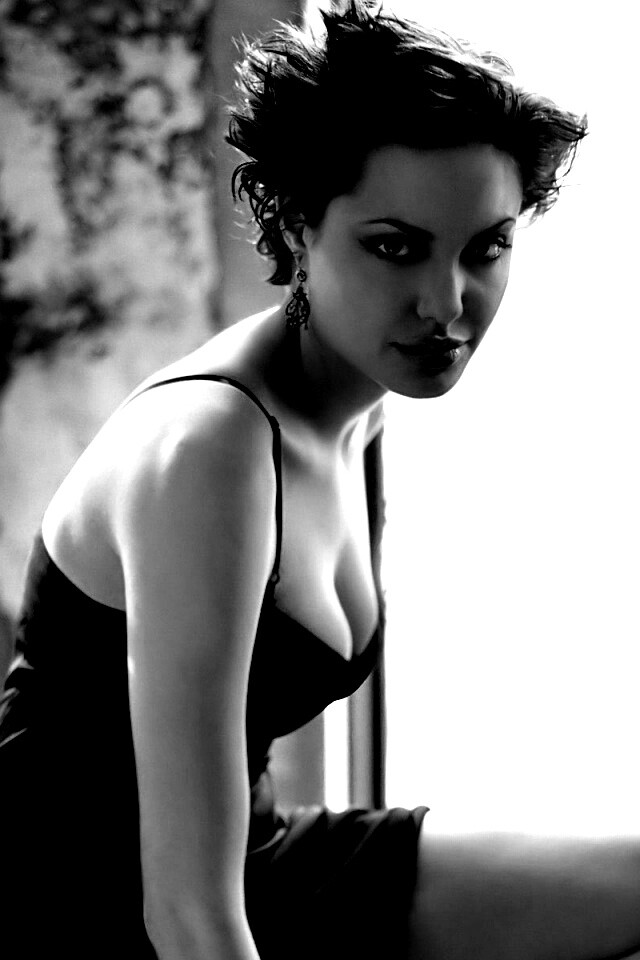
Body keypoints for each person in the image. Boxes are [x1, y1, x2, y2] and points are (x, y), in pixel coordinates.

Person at [1, 2, 639, 959]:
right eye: (395, 246)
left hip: (257, 867)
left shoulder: (359, 402)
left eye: (486, 247)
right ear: (297, 225)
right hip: (85, 917)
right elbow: (185, 912)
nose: (446, 304)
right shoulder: (211, 446)